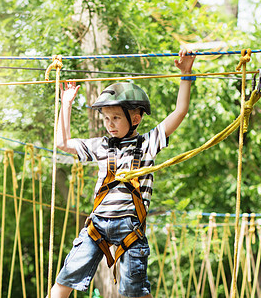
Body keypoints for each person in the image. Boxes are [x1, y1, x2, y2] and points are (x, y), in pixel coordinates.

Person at [52, 50, 197, 298]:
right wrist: (66, 103)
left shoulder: (148, 144)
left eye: (116, 117)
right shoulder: (101, 146)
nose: (110, 123)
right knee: (65, 279)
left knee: (134, 292)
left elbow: (179, 112)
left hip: (129, 226)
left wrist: (186, 74)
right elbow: (62, 143)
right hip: (97, 224)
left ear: (137, 117)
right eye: (106, 118)